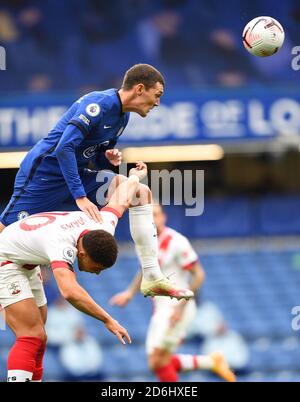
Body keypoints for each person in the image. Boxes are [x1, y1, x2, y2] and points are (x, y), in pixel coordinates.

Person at [0, 163, 193, 382]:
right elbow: (70, 292)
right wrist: (108, 320)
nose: (98, 273)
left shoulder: (103, 226)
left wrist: (134, 177)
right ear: (81, 253)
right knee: (30, 335)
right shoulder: (61, 245)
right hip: (5, 260)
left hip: (27, 258)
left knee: (40, 336)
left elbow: (122, 196)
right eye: (97, 267)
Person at [0, 63, 165, 230]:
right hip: (45, 174)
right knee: (7, 231)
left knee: (139, 193)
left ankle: (146, 255)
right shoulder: (98, 104)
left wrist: (107, 160)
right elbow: (64, 148)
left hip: (76, 174)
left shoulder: (123, 118)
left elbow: (96, 159)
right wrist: (80, 196)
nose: (158, 102)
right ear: (139, 89)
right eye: (157, 95)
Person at [110, 204, 236, 382]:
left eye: (157, 214)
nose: (154, 218)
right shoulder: (144, 243)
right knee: (158, 362)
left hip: (175, 307)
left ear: (164, 217)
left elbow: (199, 275)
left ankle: (211, 361)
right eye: (150, 215)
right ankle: (211, 361)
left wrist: (180, 307)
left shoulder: (177, 241)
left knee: (156, 360)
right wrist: (130, 293)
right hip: (160, 308)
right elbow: (145, 270)